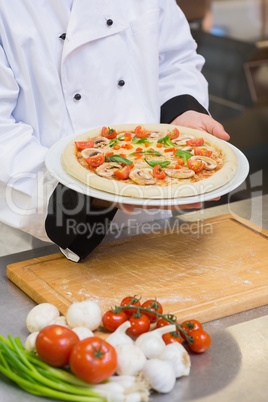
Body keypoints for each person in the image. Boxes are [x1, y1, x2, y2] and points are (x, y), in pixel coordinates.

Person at [0, 0, 229, 260]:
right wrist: (89, 193)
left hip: (161, 198)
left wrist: (181, 113)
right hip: (58, 217)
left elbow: (173, 60)